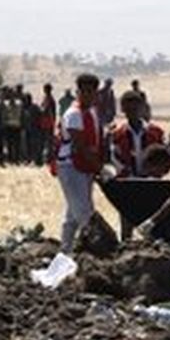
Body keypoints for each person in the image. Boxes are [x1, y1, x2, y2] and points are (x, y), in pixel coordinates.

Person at [54, 73, 106, 251]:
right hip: (71, 166)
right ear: (78, 92)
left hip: (84, 166)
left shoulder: (91, 112)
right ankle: (93, 251)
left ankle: (65, 250)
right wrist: (100, 168)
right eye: (85, 92)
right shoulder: (73, 115)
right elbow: (80, 147)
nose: (89, 96)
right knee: (84, 212)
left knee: (72, 215)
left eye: (92, 92)